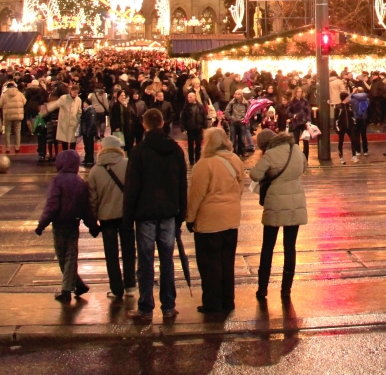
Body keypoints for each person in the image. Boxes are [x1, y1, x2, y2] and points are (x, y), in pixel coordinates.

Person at [123, 107, 187, 322]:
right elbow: (182, 185)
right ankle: (168, 305)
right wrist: (181, 213)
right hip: (169, 212)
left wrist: (127, 217)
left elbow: (132, 187)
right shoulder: (176, 150)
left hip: (145, 213)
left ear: (145, 125)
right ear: (162, 123)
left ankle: (146, 307)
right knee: (167, 260)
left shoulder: (139, 151)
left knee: (146, 261)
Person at [185, 126, 244, 316]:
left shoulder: (205, 164)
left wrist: (190, 218)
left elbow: (196, 195)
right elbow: (240, 188)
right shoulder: (235, 161)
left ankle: (212, 302)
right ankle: (228, 300)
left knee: (210, 264)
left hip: (209, 222)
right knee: (227, 262)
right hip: (231, 218)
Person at [249, 129, 307, 302]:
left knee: (268, 247)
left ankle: (262, 289)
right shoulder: (295, 149)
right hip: (295, 203)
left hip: (274, 203)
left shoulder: (270, 155)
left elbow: (254, 175)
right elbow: (304, 166)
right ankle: (286, 290)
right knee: (290, 247)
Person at [36, 149, 97, 302]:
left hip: (59, 223)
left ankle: (67, 290)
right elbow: (86, 208)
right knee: (71, 256)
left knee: (62, 257)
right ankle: (77, 285)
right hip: (73, 223)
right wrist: (93, 226)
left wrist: (42, 224)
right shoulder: (80, 182)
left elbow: (52, 205)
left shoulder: (57, 181)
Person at [87, 134, 136, 302]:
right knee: (129, 250)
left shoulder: (95, 171)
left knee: (111, 254)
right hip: (126, 215)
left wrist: (92, 221)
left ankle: (116, 289)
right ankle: (130, 286)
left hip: (106, 217)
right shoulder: (128, 165)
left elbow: (92, 199)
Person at [0, 81, 26, 154]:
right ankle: (17, 147)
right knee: (17, 131)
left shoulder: (4, 95)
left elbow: (0, 104)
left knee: (7, 132)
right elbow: (24, 102)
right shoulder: (20, 94)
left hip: (7, 115)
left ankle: (8, 148)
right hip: (18, 115)